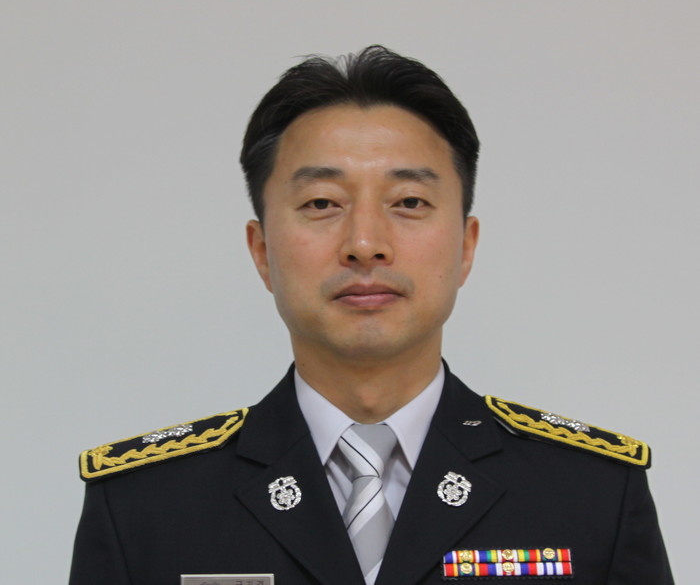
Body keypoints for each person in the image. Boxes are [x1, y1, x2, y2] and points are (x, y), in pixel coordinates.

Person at [69, 45, 674, 585]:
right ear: (261, 251)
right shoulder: (144, 507)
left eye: (408, 201)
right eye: (321, 203)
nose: (365, 244)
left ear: (466, 246)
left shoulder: (593, 495)